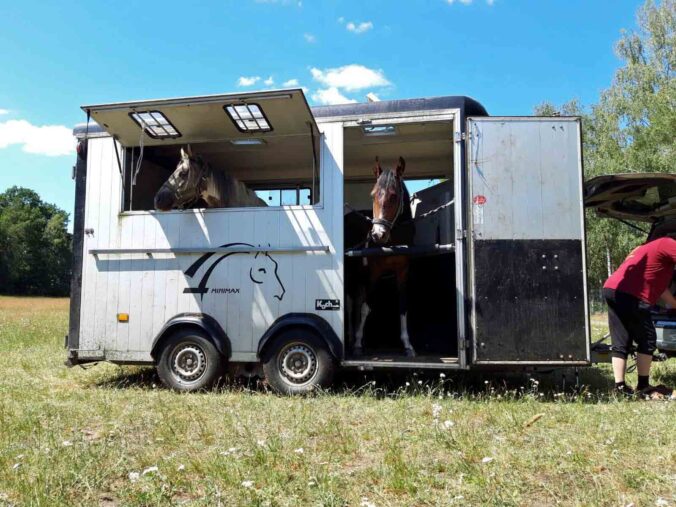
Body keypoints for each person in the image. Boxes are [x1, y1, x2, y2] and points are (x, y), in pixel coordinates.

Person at [603, 236, 676, 397]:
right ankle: (643, 386)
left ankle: (620, 387)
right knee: (647, 339)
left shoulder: (648, 251)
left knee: (621, 339)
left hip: (612, 289)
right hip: (632, 293)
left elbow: (662, 289)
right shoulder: (668, 243)